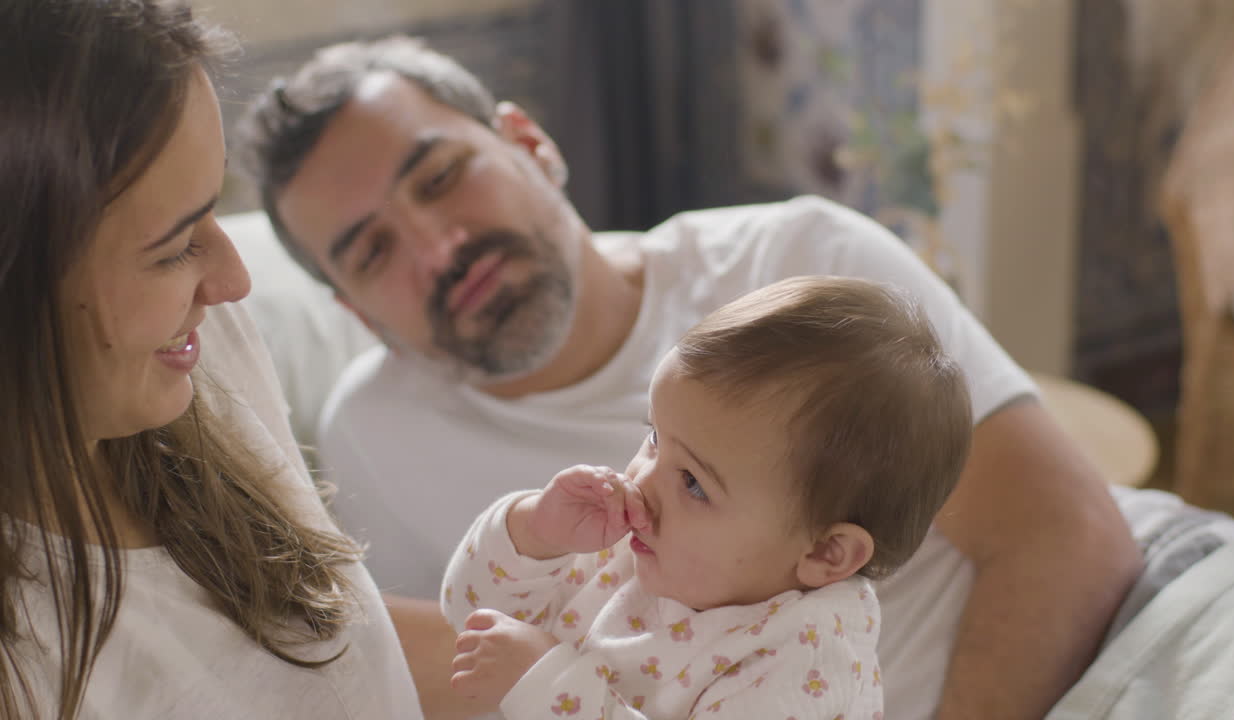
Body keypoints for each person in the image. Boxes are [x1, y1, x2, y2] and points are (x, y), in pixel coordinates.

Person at [238, 35, 1141, 720]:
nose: (441, 248)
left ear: (528, 141)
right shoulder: (372, 436)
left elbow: (1072, 535)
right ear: (354, 310)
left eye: (441, 177)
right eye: (372, 251)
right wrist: (527, 532)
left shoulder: (803, 269)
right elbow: (457, 645)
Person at [0, 2, 420, 718]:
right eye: (172, 249)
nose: (233, 282)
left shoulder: (203, 348)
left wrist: (578, 653)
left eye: (212, 207)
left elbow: (318, 654)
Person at [441, 276, 972, 719]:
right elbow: (468, 614)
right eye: (653, 436)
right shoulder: (643, 544)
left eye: (694, 481)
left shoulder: (806, 659)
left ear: (824, 553)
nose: (644, 483)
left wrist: (550, 686)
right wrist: (537, 532)